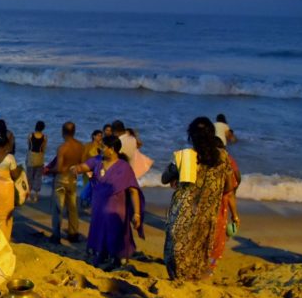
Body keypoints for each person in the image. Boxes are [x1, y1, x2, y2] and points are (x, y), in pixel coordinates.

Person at [162, 117, 235, 281]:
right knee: (199, 248)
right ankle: (192, 279)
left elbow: (164, 178)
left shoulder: (186, 157)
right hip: (207, 214)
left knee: (176, 249)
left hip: (183, 213)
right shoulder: (223, 156)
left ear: (191, 136)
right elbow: (229, 186)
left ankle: (178, 279)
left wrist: (176, 171)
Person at [71, 135, 144, 269]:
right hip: (98, 209)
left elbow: (133, 191)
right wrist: (76, 168)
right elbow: (84, 166)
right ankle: (102, 257)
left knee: (115, 234)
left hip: (116, 210)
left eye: (103, 146)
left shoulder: (124, 167)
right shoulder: (98, 161)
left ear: (112, 149)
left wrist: (137, 214)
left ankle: (118, 260)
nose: (100, 148)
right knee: (99, 233)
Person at [50, 122, 83, 243]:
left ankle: (56, 235)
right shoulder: (80, 146)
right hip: (73, 179)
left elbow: (59, 168)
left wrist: (49, 170)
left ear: (63, 132)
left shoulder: (62, 148)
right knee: (73, 208)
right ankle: (73, 233)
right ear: (74, 131)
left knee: (58, 208)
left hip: (61, 180)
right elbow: (81, 163)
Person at [210, 138, 240, 267]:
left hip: (201, 208)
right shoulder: (227, 162)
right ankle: (209, 268)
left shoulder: (201, 163)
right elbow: (231, 191)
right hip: (219, 209)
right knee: (217, 239)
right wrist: (235, 216)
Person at [25, 121, 47, 203]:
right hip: (40, 158)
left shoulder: (30, 135)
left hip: (31, 158)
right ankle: (36, 197)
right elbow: (44, 149)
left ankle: (28, 196)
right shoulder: (45, 137)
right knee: (38, 178)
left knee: (29, 177)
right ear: (43, 128)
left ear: (36, 126)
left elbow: (29, 146)